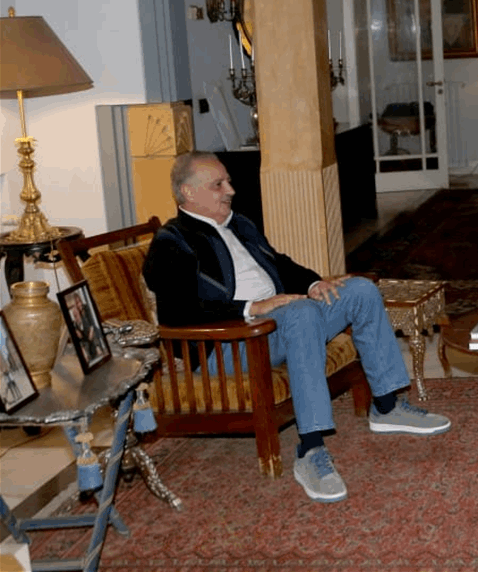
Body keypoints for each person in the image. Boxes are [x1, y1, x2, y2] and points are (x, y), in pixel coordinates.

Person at [143, 151, 451, 503]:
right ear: (188, 192)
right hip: (229, 344)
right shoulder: (172, 242)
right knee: (302, 314)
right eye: (218, 185)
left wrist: (314, 284)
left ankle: (386, 406)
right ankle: (311, 449)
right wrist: (251, 307)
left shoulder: (238, 224)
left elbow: (281, 264)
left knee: (361, 291)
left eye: (228, 181)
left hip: (280, 323)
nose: (230, 190)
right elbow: (178, 313)